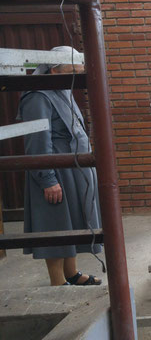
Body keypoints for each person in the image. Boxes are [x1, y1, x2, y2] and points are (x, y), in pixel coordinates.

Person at [17, 46, 102, 286]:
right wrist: (47, 178)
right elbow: (37, 141)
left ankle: (71, 273)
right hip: (55, 171)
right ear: (54, 70)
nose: (75, 78)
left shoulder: (62, 88)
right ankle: (58, 281)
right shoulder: (37, 95)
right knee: (55, 223)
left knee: (72, 220)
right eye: (72, 72)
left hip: (74, 169)